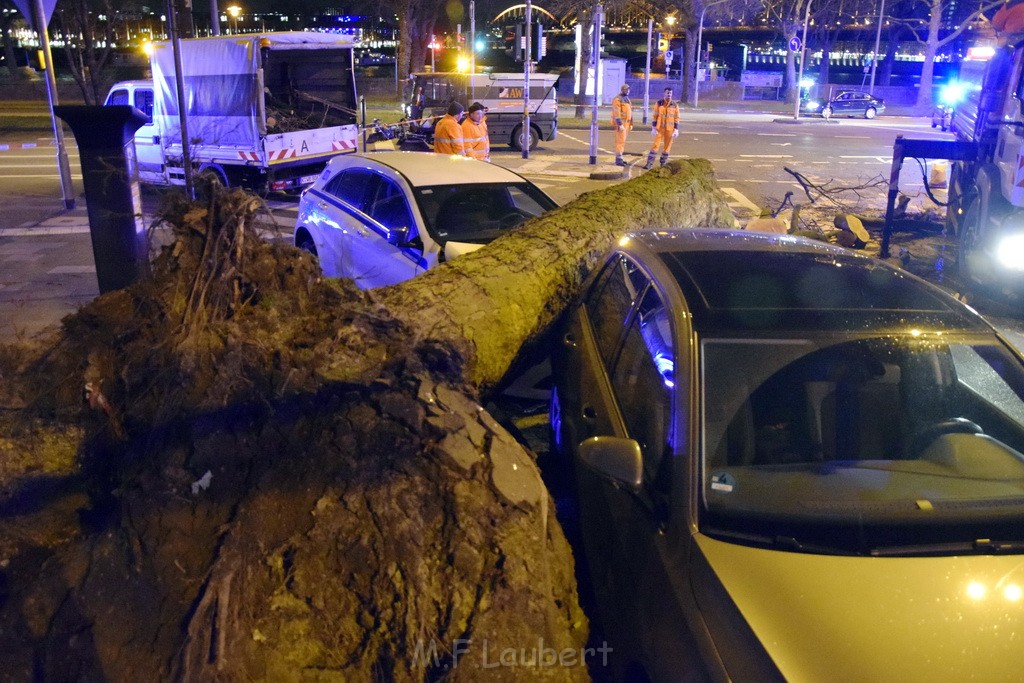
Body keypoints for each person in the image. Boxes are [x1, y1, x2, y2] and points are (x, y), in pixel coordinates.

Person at [644, 87, 680, 169]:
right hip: (659, 129)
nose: (669, 95)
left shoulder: (674, 105)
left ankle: (663, 163)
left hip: (670, 130)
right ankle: (649, 163)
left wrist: (676, 129)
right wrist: (653, 127)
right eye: (667, 93)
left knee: (667, 147)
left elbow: (677, 118)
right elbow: (655, 116)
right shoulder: (659, 103)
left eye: (670, 93)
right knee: (655, 146)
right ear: (664, 93)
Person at [610, 83, 633, 167]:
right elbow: (616, 113)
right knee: (620, 141)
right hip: (621, 124)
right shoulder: (618, 99)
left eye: (628, 89)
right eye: (626, 89)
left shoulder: (626, 99)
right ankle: (618, 160)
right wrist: (620, 124)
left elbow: (630, 112)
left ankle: (620, 158)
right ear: (622, 90)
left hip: (626, 124)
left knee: (622, 141)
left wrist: (631, 123)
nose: (628, 91)